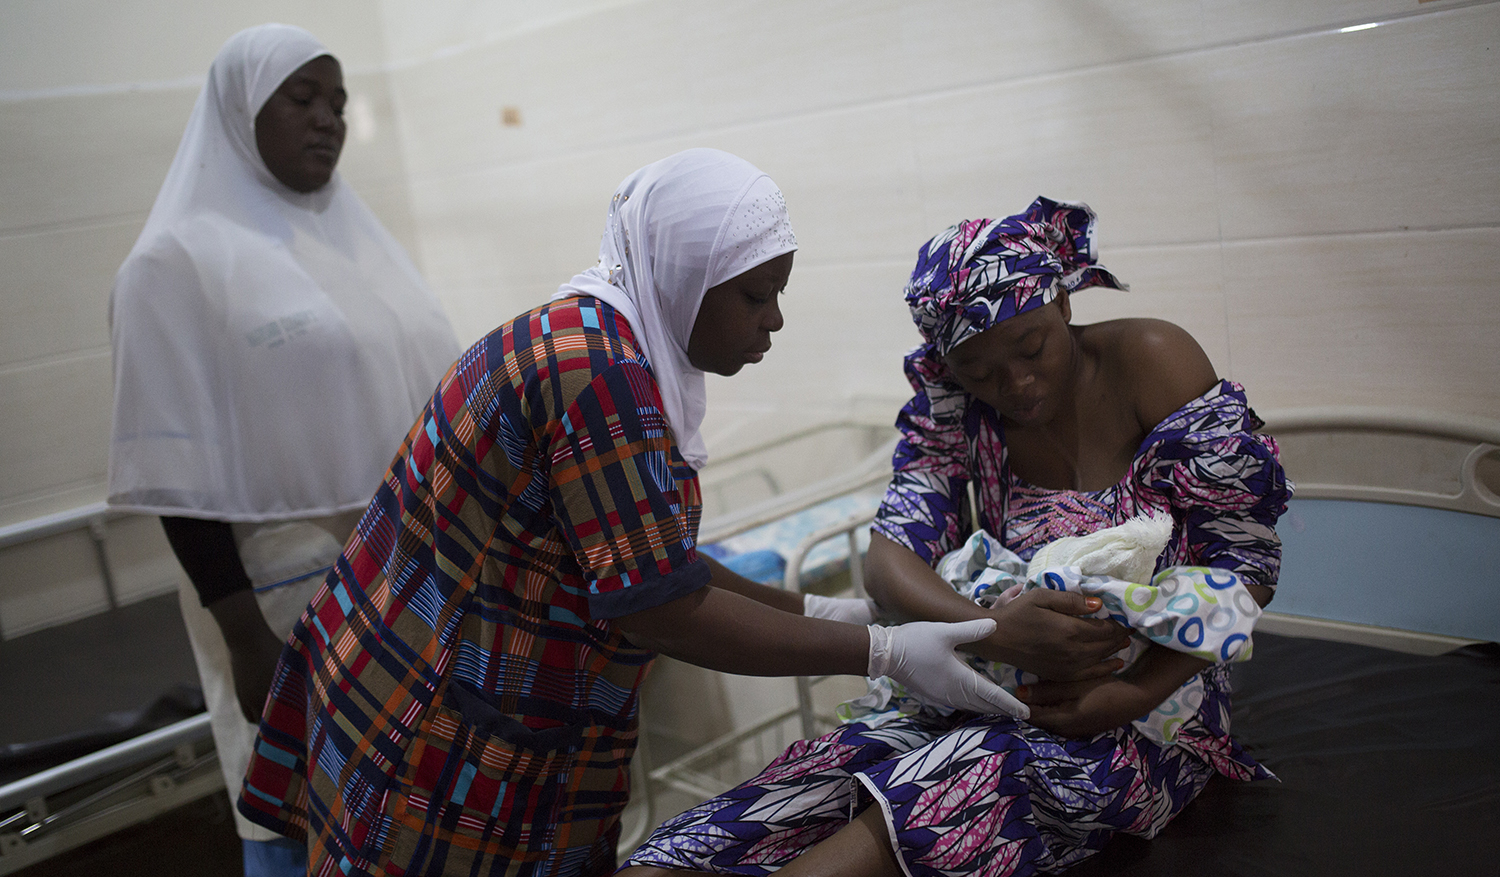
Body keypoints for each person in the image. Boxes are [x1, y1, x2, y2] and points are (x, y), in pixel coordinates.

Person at [234, 148, 1021, 877]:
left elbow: (642, 556)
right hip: (440, 727)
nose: (773, 320)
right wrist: (878, 649)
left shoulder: (587, 336)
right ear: (683, 273)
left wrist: (824, 610)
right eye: (756, 294)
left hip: (425, 678)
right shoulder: (599, 375)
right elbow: (662, 608)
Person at [621, 197, 1293, 877]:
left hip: (1147, 712)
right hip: (984, 679)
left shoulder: (1152, 362)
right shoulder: (956, 402)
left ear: (1063, 304)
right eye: (981, 371)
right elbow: (888, 563)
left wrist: (1136, 692)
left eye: (1032, 349)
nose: (1017, 385)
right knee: (770, 807)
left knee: (938, 801)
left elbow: (1247, 561)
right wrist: (993, 630)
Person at [106, 24, 459, 876]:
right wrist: (244, 636)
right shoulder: (174, 262)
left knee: (424, 816)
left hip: (411, 582)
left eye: (338, 102)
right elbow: (174, 465)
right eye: (302, 98)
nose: (328, 119)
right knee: (309, 823)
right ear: (240, 111)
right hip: (278, 603)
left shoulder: (356, 245)